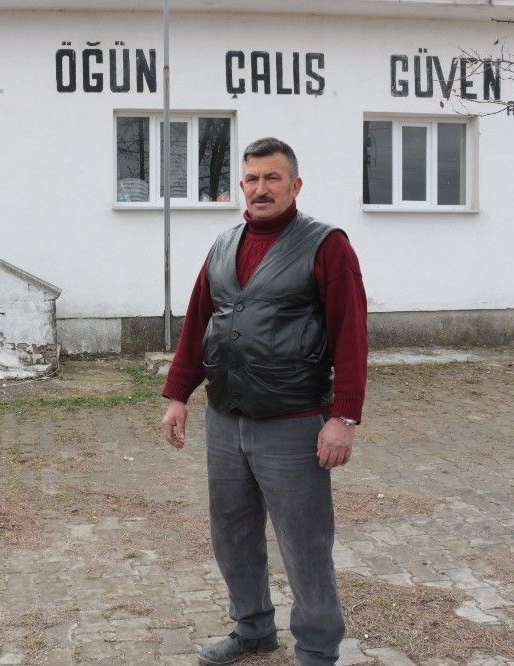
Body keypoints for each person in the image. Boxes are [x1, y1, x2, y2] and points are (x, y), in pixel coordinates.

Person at [160, 137, 368, 665]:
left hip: (294, 422)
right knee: (231, 533)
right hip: (226, 419)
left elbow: (351, 334)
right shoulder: (223, 246)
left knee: (304, 544)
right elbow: (198, 322)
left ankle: (317, 650)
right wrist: (178, 394)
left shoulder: (326, 246)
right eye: (252, 179)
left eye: (272, 178)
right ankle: (252, 630)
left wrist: (343, 416)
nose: (261, 188)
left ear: (295, 185)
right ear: (241, 186)